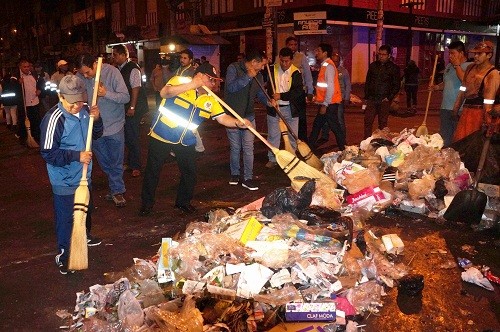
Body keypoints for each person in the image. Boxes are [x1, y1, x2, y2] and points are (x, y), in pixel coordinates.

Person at [140, 65, 251, 216]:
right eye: (210, 79)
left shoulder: (210, 99)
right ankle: (146, 204)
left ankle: (183, 202)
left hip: (186, 140)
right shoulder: (180, 80)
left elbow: (222, 118)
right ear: (199, 75)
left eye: (215, 81)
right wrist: (192, 85)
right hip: (162, 134)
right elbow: (165, 93)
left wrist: (238, 123)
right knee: (153, 171)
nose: (213, 84)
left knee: (189, 173)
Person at [40, 75, 103, 274]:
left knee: (86, 209)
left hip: (84, 176)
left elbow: (97, 134)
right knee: (66, 218)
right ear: (61, 97)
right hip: (64, 179)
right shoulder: (54, 119)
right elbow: (48, 153)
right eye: (72, 102)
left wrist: (97, 119)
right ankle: (64, 253)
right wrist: (77, 156)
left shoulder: (85, 112)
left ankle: (84, 235)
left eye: (80, 100)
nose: (77, 106)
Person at [77, 54, 130, 207]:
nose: (86, 76)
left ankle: (117, 190)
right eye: (83, 73)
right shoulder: (82, 78)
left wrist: (105, 94)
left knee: (116, 160)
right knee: (104, 161)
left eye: (88, 72)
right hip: (95, 128)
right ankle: (115, 184)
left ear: (95, 63)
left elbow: (125, 97)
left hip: (115, 125)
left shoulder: (112, 72)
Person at [224, 50, 269, 190]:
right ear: (254, 62)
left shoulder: (259, 76)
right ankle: (235, 174)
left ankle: (248, 178)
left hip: (249, 116)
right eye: (262, 64)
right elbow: (231, 88)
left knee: (249, 148)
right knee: (236, 147)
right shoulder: (234, 68)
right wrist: (248, 77)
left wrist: (268, 101)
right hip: (232, 116)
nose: (262, 68)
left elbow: (261, 94)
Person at [112, 44, 149, 178]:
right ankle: (130, 162)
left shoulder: (133, 69)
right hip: (126, 106)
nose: (113, 57)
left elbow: (135, 88)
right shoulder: (119, 69)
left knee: (132, 136)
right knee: (127, 135)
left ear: (123, 55)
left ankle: (136, 166)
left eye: (115, 55)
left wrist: (132, 107)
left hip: (134, 107)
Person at [452, 41, 500, 142]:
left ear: (489, 55)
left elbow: (489, 101)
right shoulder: (470, 68)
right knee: (460, 143)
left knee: (474, 146)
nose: (476, 56)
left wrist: (487, 121)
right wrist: (456, 108)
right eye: (475, 53)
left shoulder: (493, 74)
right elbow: (463, 88)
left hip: (479, 114)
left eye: (479, 54)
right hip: (466, 111)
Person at [265, 47, 303, 168]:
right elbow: (267, 87)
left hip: (291, 109)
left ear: (291, 60)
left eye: (287, 61)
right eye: (282, 61)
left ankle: (291, 158)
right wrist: (271, 98)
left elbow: (298, 92)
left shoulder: (296, 72)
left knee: (292, 135)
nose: (284, 64)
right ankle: (273, 158)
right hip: (274, 109)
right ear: (279, 59)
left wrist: (281, 95)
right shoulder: (272, 70)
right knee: (273, 136)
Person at [431, 41, 471, 147]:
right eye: (449, 53)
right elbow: (446, 82)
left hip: (459, 109)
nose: (450, 56)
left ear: (461, 53)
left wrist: (457, 65)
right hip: (445, 108)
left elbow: (464, 79)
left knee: (457, 138)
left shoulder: (469, 66)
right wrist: (436, 87)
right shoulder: (449, 66)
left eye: (453, 53)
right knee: (444, 138)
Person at [308, 43, 346, 151]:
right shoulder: (325, 65)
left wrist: (325, 104)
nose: (316, 53)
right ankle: (309, 147)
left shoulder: (328, 66)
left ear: (325, 53)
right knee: (318, 125)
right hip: (326, 103)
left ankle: (344, 148)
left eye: (319, 51)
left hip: (329, 104)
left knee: (334, 127)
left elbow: (330, 88)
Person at [363, 44, 401, 139]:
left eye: (383, 54)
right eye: (379, 54)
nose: (381, 56)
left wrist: (389, 97)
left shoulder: (393, 68)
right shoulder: (373, 66)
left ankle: (381, 142)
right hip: (372, 98)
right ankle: (366, 141)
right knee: (368, 121)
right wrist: (367, 96)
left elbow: (397, 85)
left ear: (389, 55)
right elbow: (368, 81)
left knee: (383, 124)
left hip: (384, 100)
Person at [285, 36, 315, 142]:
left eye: (294, 44)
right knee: (287, 117)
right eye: (290, 45)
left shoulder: (301, 57)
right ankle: (289, 139)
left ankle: (302, 140)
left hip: (299, 92)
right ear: (286, 45)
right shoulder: (281, 57)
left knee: (301, 118)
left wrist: (310, 91)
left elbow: (307, 75)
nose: (293, 47)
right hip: (285, 91)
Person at [318, 52, 351, 144]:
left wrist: (347, 98)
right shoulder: (327, 69)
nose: (335, 63)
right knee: (325, 119)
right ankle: (324, 136)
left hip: (338, 98)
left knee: (339, 119)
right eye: (334, 61)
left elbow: (347, 85)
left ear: (339, 62)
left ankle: (342, 139)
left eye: (337, 61)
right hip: (328, 98)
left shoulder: (343, 71)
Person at [17, 58, 42, 144]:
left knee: (36, 120)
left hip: (35, 102)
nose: (27, 68)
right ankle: (25, 138)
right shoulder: (16, 77)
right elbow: (14, 90)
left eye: (28, 66)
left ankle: (37, 137)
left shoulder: (34, 75)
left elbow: (41, 83)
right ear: (20, 67)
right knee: (24, 122)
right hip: (25, 104)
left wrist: (39, 89)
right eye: (24, 67)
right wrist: (18, 84)